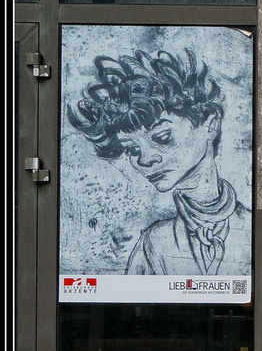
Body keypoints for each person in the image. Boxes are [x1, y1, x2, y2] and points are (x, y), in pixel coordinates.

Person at [67, 48, 250, 276]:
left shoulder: (254, 231)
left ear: (210, 125)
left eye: (163, 137)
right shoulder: (154, 243)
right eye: (132, 149)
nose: (144, 159)